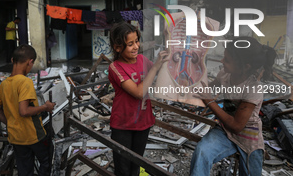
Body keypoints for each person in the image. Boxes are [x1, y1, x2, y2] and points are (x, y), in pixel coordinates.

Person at [190, 37, 277, 176]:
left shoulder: (253, 88)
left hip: (249, 137)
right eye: (224, 57)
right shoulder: (225, 74)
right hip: (225, 130)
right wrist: (195, 88)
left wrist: (209, 101)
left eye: (227, 60)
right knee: (202, 151)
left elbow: (237, 126)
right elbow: (211, 88)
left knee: (251, 172)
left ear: (246, 66)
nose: (221, 61)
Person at [108, 21, 169, 176]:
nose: (136, 46)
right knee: (123, 169)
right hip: (123, 125)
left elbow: (163, 69)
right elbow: (139, 92)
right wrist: (155, 67)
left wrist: (168, 39)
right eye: (130, 44)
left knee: (136, 165)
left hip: (143, 122)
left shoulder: (142, 60)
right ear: (117, 47)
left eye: (136, 41)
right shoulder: (116, 67)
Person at [0, 44, 56, 176]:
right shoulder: (25, 82)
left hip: (16, 136)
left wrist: (10, 122)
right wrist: (45, 107)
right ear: (30, 62)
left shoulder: (4, 84)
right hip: (33, 135)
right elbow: (24, 111)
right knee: (46, 162)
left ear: (12, 60)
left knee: (25, 169)